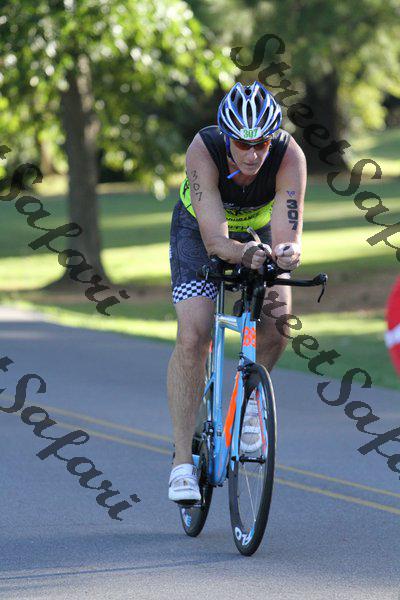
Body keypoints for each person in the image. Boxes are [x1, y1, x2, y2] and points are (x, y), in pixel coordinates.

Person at [167, 81, 306, 503]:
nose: (252, 154)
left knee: (278, 323)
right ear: (227, 137)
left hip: (258, 230)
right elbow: (215, 241)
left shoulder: (289, 156)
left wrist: (286, 253)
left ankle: (249, 406)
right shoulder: (204, 149)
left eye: (261, 144)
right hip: (199, 231)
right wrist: (243, 254)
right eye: (243, 144)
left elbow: (288, 235)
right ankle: (181, 463)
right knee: (195, 333)